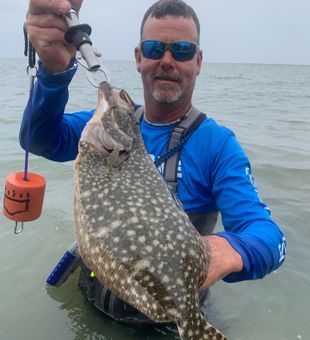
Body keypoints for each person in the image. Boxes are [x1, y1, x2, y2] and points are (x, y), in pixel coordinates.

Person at [22, 0, 286, 326]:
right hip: (89, 308)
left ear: (198, 61)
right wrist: (54, 74)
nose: (167, 60)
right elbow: (38, 138)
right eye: (154, 48)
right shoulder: (112, 129)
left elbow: (269, 237)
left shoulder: (217, 146)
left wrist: (222, 251)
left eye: (183, 50)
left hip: (164, 323)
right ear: (138, 57)